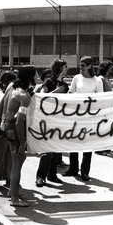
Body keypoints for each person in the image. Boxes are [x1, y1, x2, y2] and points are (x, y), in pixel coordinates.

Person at [0, 65, 37, 207]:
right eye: (35, 74)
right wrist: (22, 142)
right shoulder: (24, 96)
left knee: (20, 159)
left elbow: (2, 103)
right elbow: (19, 121)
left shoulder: (11, 87)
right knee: (17, 162)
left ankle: (12, 192)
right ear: (30, 77)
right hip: (13, 128)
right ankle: (14, 198)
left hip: (6, 124)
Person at [63, 56, 104, 181]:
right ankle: (73, 168)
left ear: (90, 66)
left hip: (89, 117)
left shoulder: (97, 81)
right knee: (74, 141)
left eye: (83, 66)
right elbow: (70, 94)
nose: (80, 68)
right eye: (80, 66)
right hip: (76, 115)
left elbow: (100, 98)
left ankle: (85, 171)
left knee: (87, 144)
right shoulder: (76, 78)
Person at [35, 59, 69, 187]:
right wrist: (56, 91)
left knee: (55, 148)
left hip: (59, 118)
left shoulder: (65, 85)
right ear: (60, 68)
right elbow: (43, 97)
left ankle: (52, 175)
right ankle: (40, 176)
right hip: (47, 119)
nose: (67, 69)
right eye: (65, 67)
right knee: (46, 149)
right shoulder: (48, 82)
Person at [96, 59, 113, 155]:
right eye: (110, 67)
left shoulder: (106, 78)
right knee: (102, 128)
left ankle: (106, 147)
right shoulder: (101, 79)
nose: (111, 69)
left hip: (108, 106)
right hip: (103, 106)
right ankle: (99, 148)